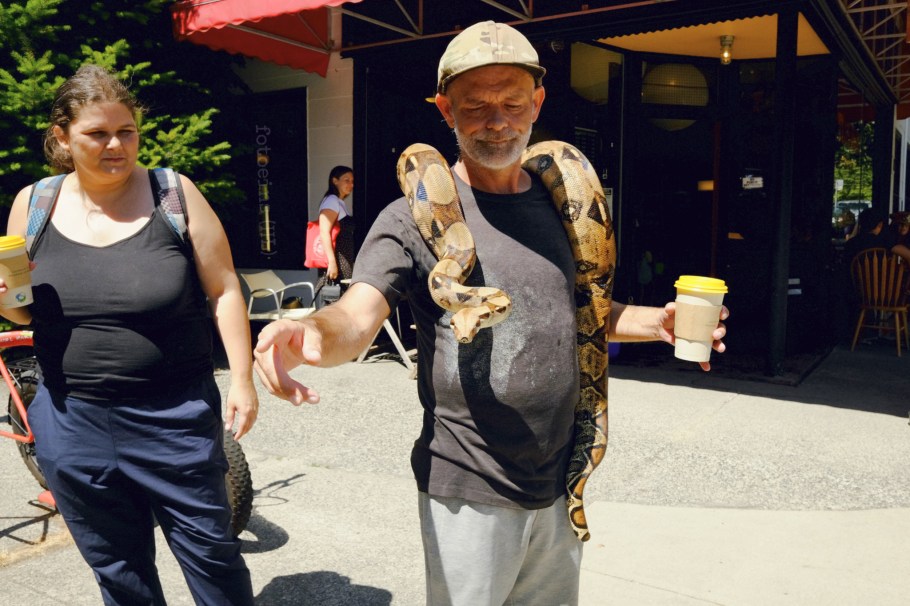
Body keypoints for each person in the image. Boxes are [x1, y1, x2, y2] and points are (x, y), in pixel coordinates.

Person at [253, 21, 728, 606]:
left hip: (557, 480)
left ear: (538, 104)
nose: (496, 120)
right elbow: (355, 319)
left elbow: (584, 310)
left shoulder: (563, 204)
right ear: (445, 110)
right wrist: (308, 330)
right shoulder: (408, 219)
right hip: (467, 484)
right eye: (474, 106)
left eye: (511, 103)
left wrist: (658, 323)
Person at [0, 64, 257, 605]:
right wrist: (5, 300)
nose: (116, 144)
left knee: (213, 555)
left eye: (127, 131)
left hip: (175, 416)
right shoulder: (35, 203)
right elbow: (25, 314)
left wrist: (242, 378)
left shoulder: (173, 194)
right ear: (62, 137)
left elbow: (226, 288)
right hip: (73, 421)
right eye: (97, 133)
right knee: (117, 568)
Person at [313, 165, 355, 300]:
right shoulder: (331, 200)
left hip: (344, 261)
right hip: (337, 262)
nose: (351, 184)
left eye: (352, 181)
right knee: (334, 302)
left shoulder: (339, 202)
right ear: (335, 181)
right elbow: (324, 232)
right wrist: (332, 263)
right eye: (346, 180)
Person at [845, 206, 910, 264]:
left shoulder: (851, 243)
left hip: (858, 277)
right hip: (885, 277)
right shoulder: (886, 241)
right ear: (880, 224)